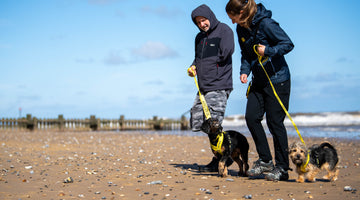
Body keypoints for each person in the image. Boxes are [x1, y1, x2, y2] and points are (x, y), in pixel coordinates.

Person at [226, 0, 294, 181]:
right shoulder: (240, 28)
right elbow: (246, 54)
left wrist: (269, 50)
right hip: (258, 80)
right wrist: (244, 71)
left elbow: (288, 44)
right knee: (251, 117)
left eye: (233, 18)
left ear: (242, 12)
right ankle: (265, 160)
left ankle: (282, 168)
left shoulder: (266, 23)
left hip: (278, 80)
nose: (233, 22)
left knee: (274, 123)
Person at [188, 4, 235, 172]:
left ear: (210, 16)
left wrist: (210, 66)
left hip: (219, 84)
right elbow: (198, 58)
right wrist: (194, 67)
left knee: (214, 124)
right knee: (198, 121)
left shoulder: (225, 30)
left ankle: (222, 159)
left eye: (204, 20)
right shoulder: (198, 38)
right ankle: (225, 154)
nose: (202, 24)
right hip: (203, 86)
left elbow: (227, 52)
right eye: (198, 22)